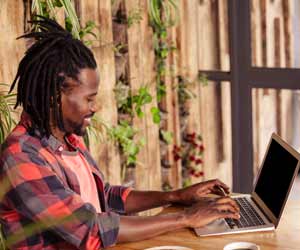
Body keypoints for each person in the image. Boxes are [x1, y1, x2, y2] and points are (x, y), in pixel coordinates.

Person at [0, 17, 240, 249]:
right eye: (89, 99)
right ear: (54, 97)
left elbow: (105, 197)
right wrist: (185, 218)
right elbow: (92, 229)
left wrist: (175, 197)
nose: (94, 107)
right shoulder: (21, 157)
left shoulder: (67, 139)